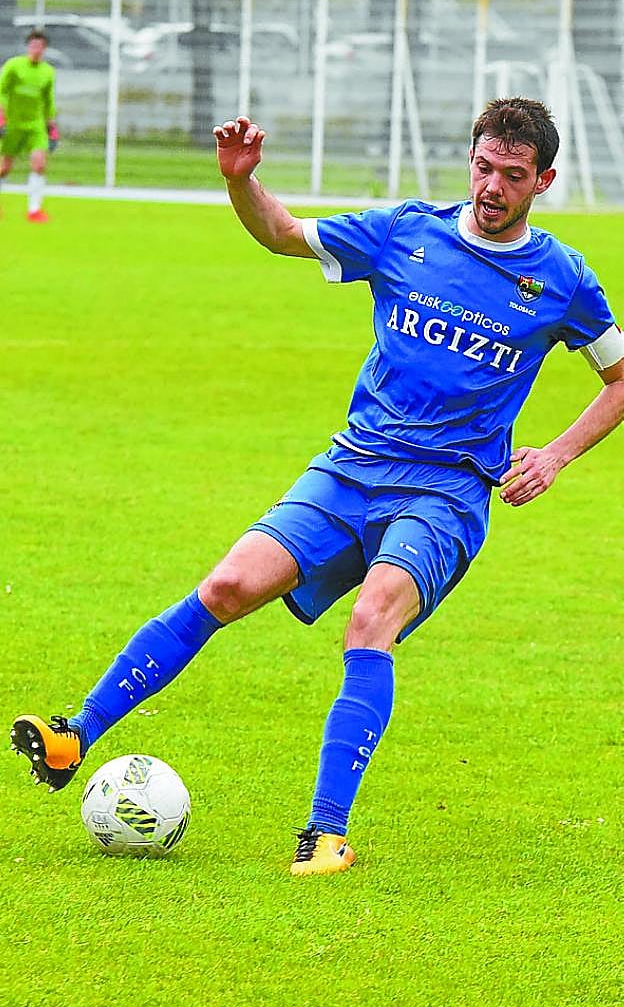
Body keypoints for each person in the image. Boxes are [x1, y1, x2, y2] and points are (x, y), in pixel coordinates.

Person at [10, 98, 624, 876]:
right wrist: (241, 181)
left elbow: (619, 378)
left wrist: (557, 455)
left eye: (512, 174)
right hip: (351, 467)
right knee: (226, 587)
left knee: (371, 620)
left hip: (445, 494)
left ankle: (325, 834)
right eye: (483, 167)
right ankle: (75, 736)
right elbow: (281, 233)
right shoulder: (405, 231)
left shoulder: (562, 279)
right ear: (469, 161)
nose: (492, 187)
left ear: (543, 181)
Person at [0, 29, 58, 223]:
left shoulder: (48, 72)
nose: (36, 49)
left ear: (44, 49)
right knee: (4, 168)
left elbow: (48, 100)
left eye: (40, 46)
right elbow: (1, 91)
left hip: (35, 125)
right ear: (28, 47)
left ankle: (34, 210)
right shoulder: (14, 66)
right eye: (33, 45)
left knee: (39, 164)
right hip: (13, 124)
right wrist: (1, 115)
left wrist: (51, 123)